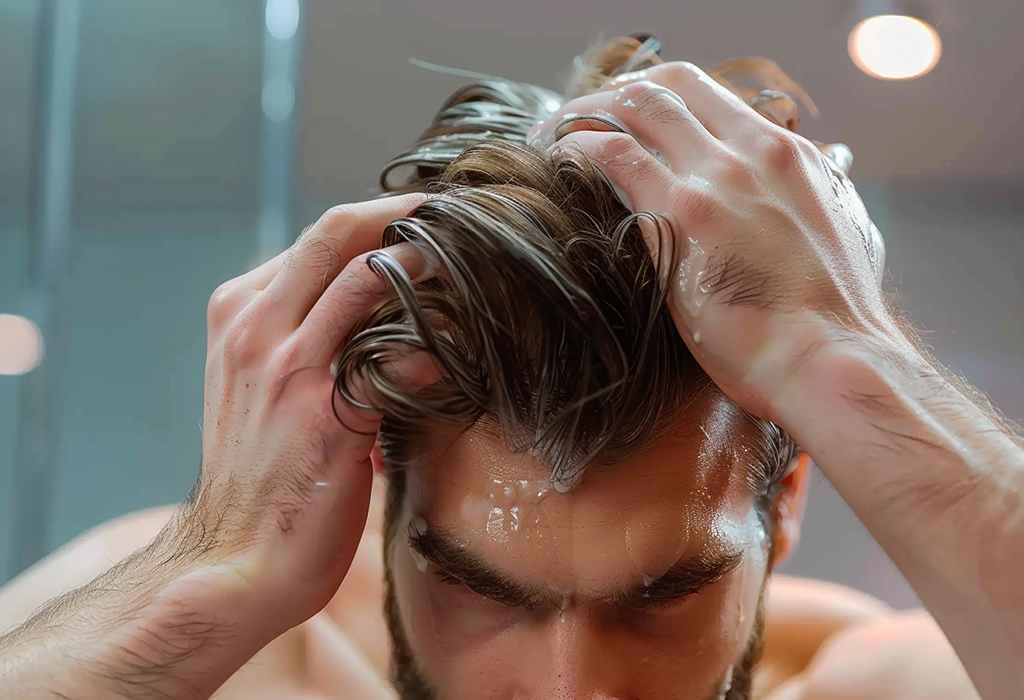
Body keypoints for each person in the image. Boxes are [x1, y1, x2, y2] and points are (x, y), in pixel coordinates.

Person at [1, 34, 1020, 700]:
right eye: (481, 591)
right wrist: (196, 580)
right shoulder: (224, 653)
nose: (567, 689)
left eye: (661, 596)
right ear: (380, 488)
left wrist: (857, 369)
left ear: (784, 500)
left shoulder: (876, 680)